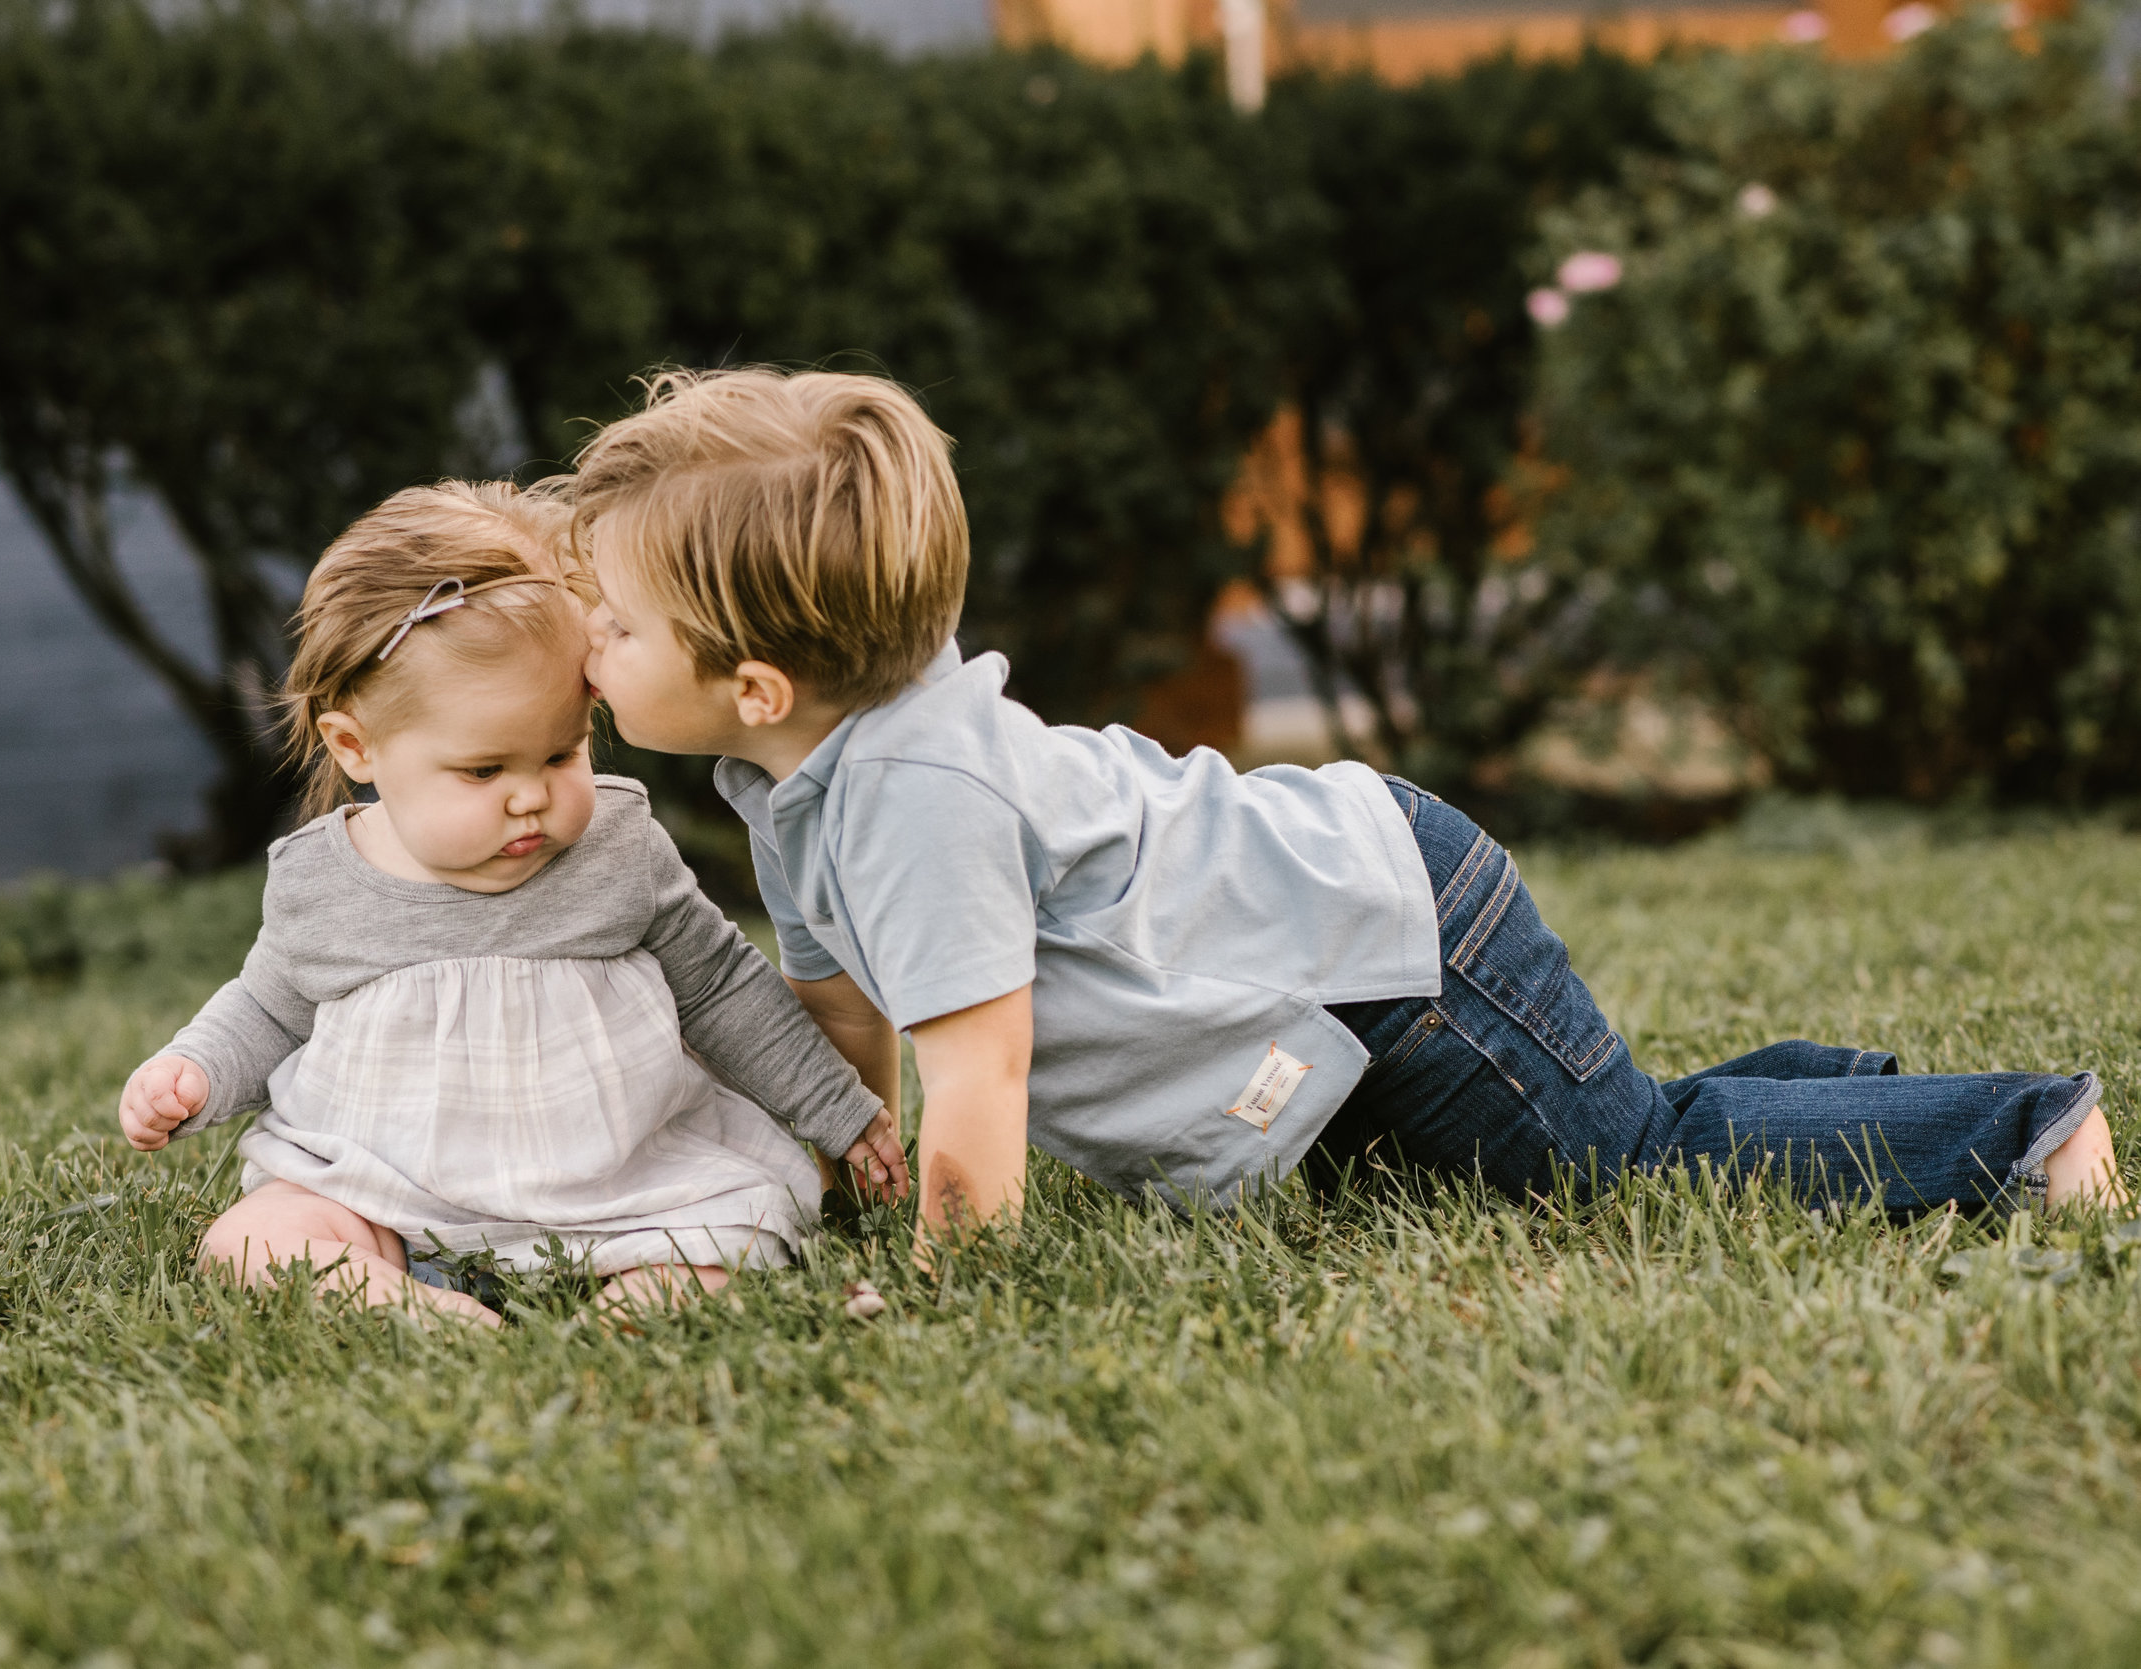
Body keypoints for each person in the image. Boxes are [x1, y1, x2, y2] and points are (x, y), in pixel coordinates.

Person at [571, 367, 2126, 1246]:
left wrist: (942, 1282)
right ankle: (1838, 1090)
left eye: (616, 626)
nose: (591, 648)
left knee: (1622, 1180)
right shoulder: (785, 784)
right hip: (1347, 929)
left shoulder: (912, 792)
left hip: (1403, 953)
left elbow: (975, 1080)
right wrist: (853, 1173)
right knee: (1534, 1163)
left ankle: (2028, 1129)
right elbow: (851, 1021)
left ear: (759, 678)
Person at [117, 479, 909, 1325]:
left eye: (561, 752)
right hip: (388, 1193)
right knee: (255, 1240)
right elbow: (269, 1005)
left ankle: (637, 1307)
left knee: (729, 1240)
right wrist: (192, 1070)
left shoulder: (619, 847)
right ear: (357, 747)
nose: (530, 797)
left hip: (630, 1186)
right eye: (486, 770)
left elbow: (724, 991)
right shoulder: (326, 881)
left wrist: (836, 1109)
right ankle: (415, 1306)